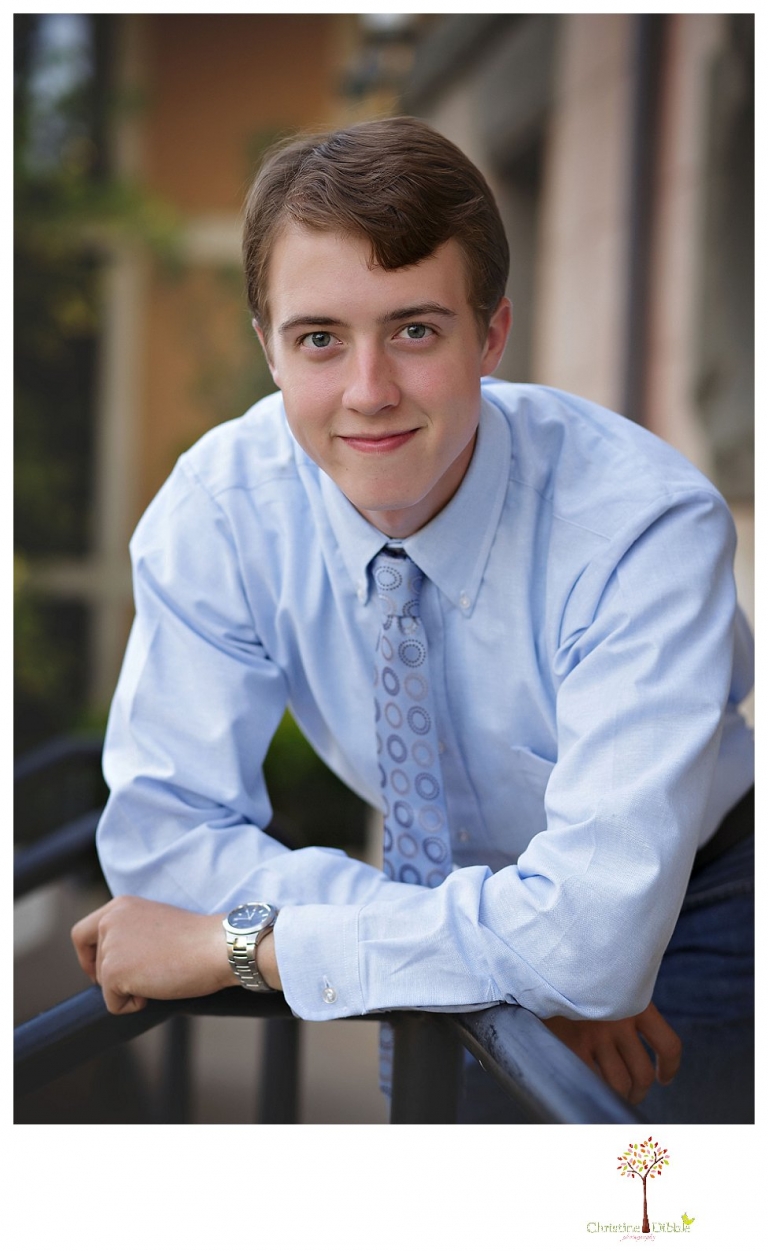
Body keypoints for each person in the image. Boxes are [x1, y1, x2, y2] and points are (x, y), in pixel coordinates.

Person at [71, 117, 754, 1123]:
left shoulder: (639, 527)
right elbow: (165, 843)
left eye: (416, 330)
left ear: (492, 335)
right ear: (266, 347)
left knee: (652, 1215)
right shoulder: (222, 511)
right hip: (493, 915)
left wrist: (250, 946)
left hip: (691, 915)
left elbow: (601, 945)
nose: (369, 392)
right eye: (318, 339)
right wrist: (535, 956)